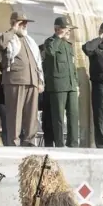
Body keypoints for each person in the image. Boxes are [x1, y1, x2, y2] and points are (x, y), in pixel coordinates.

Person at [0, 12, 43, 147]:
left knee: (32, 114)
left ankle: (29, 141)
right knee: (15, 113)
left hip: (32, 81)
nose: (24, 25)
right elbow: (0, 43)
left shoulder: (30, 41)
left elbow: (37, 62)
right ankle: (13, 142)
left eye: (25, 23)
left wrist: (40, 81)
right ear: (14, 22)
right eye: (21, 22)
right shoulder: (7, 37)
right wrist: (13, 29)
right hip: (15, 81)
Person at [41, 16, 80, 148]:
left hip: (71, 85)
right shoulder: (50, 42)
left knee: (73, 116)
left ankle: (73, 144)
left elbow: (72, 67)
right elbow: (51, 52)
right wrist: (59, 36)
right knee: (58, 117)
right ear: (57, 29)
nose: (69, 32)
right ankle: (59, 144)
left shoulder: (69, 45)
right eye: (66, 29)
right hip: (58, 85)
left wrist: (76, 84)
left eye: (69, 30)